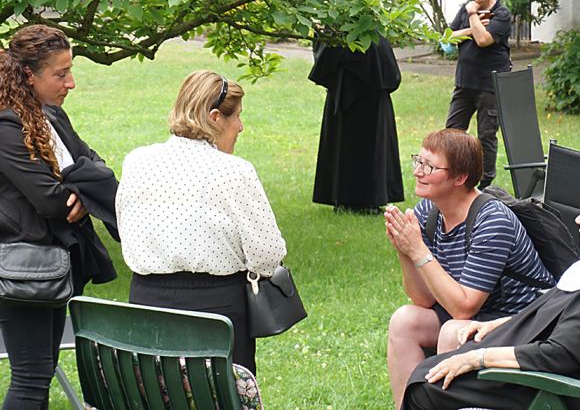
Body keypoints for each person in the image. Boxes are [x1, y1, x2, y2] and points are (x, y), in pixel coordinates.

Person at [400, 178, 580, 410]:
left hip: (547, 390)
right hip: (537, 373)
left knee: (423, 390)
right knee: (429, 374)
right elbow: (557, 315)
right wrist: (500, 324)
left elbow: (559, 355)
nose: (578, 220)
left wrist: (477, 358)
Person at [115, 70, 287, 375]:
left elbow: (125, 227)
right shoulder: (234, 171)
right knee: (221, 393)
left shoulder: (136, 161)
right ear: (215, 118)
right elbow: (268, 255)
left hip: (145, 309)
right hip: (217, 313)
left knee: (158, 391)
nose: (241, 126)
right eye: (237, 117)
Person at [385, 129, 553, 408]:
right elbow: (422, 299)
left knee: (453, 331)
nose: (417, 171)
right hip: (477, 314)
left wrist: (418, 250)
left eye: (429, 166)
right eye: (418, 161)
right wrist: (405, 251)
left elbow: (464, 309)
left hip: (519, 322)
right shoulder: (429, 210)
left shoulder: (492, 221)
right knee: (405, 320)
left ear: (460, 178)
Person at [0, 24, 118, 409]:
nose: (71, 83)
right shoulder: (6, 126)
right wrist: (82, 189)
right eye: (61, 74)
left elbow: (96, 165)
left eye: (70, 71)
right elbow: (52, 202)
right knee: (31, 378)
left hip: (54, 263)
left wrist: (78, 188)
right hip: (24, 268)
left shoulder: (50, 116)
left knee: (41, 373)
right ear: (28, 75)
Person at [309, 36, 404, 214]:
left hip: (351, 91)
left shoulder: (338, 32)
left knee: (346, 142)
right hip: (360, 91)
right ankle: (365, 200)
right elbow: (389, 74)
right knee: (366, 142)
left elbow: (325, 60)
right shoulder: (364, 32)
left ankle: (344, 198)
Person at [445, 0, 512, 190]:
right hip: (464, 82)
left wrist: (473, 14)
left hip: (490, 85)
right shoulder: (465, 8)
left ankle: (485, 184)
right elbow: (447, 37)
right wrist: (469, 28)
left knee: (486, 135)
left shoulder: (502, 13)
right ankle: (454, 175)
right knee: (452, 132)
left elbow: (484, 40)